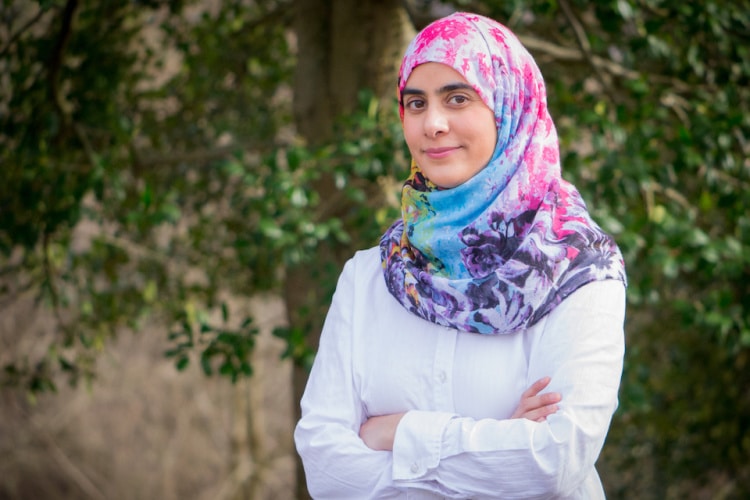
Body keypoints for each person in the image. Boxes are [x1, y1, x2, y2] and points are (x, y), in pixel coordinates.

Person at [294, 11, 627, 499]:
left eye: (457, 98)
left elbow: (554, 462)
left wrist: (398, 434)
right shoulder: (371, 276)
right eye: (416, 103)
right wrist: (498, 442)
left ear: (509, 107)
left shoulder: (578, 269)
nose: (432, 123)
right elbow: (327, 470)